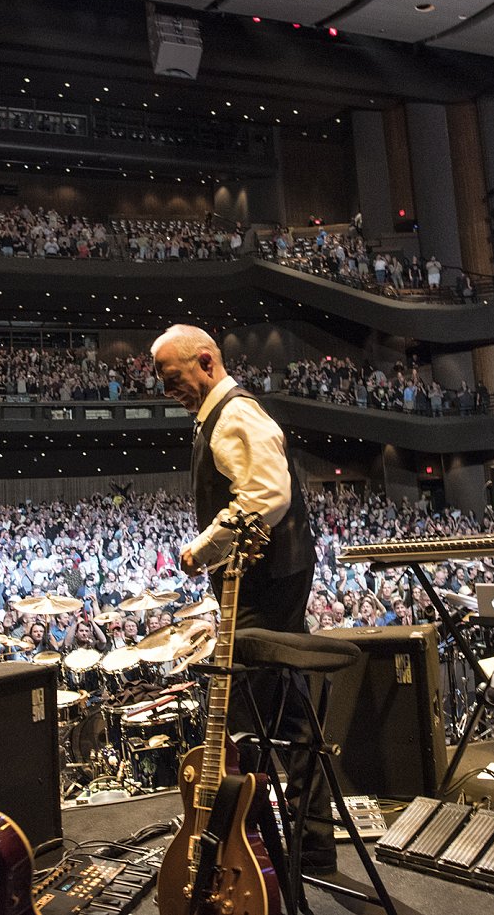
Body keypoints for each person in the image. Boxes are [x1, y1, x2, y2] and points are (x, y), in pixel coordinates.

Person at [150, 324, 334, 876]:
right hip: (269, 581)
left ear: (206, 361)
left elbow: (266, 495)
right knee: (287, 715)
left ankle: (247, 852)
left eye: (173, 376)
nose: (166, 390)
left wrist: (202, 548)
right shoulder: (218, 414)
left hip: (266, 586)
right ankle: (304, 846)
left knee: (245, 723)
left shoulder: (233, 413)